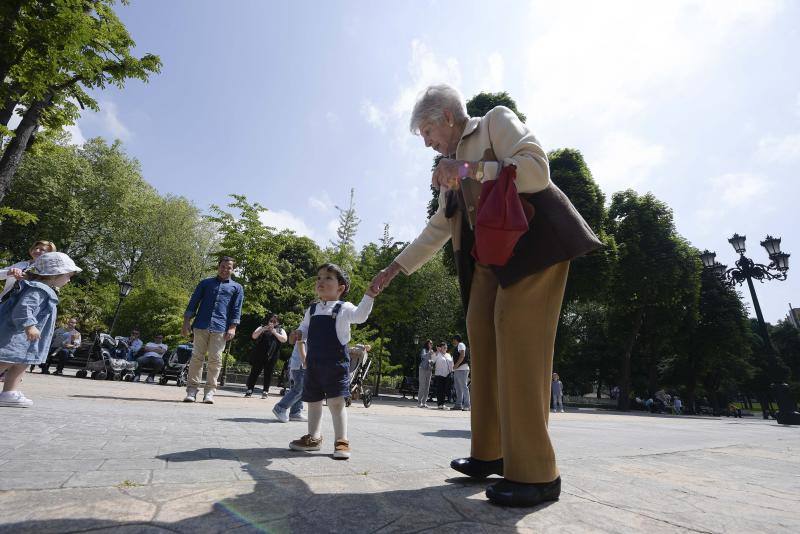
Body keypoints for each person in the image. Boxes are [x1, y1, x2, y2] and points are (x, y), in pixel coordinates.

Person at [369, 84, 602, 506]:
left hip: (534, 246)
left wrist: (466, 171)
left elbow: (536, 171)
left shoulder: (495, 121)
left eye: (426, 131)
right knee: (480, 329)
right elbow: (440, 227)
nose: (425, 142)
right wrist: (394, 268)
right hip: (489, 260)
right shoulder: (446, 168)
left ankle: (537, 473)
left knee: (515, 334)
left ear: (446, 117)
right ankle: (490, 452)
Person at [288, 263, 376, 460]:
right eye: (319, 277)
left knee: (336, 403)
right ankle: (314, 437)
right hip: (314, 364)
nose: (321, 281)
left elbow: (360, 316)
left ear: (340, 288)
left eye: (328, 278)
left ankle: (341, 440)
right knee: (313, 401)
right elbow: (304, 329)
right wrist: (299, 333)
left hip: (336, 364)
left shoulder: (344, 308)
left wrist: (369, 295)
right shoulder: (311, 310)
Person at [0, 252, 81, 407]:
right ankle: (8, 392)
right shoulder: (37, 289)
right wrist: (30, 326)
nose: (69, 280)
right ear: (54, 274)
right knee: (5, 361)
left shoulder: (44, 288)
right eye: (68, 276)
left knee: (22, 362)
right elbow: (23, 309)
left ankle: (9, 392)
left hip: (26, 338)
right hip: (17, 334)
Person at [182, 256, 244, 404]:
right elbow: (194, 302)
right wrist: (186, 321)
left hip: (221, 327)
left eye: (229, 267)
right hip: (201, 324)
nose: (225, 269)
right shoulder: (205, 283)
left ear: (233, 270)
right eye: (223, 266)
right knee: (197, 357)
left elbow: (237, 309)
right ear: (218, 267)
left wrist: (233, 327)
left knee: (215, 359)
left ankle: (209, 392)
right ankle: (191, 390)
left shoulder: (237, 287)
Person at [245, 314, 287, 398]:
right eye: (271, 321)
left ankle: (265, 391)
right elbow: (254, 336)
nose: (272, 323)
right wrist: (263, 329)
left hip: (273, 355)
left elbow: (284, 339)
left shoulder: (280, 330)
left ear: (278, 322)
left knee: (269, 373)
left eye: (274, 321)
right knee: (255, 372)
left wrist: (274, 332)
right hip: (259, 354)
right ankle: (249, 390)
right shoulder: (262, 327)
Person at [272, 338, 307, 423]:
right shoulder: (308, 326)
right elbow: (300, 343)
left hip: (300, 363)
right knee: (299, 389)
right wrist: (305, 362)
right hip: (301, 364)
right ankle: (280, 408)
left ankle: (295, 412)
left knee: (301, 389)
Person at [431, 341, 454, 410]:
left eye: (446, 347)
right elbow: (432, 361)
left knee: (445, 390)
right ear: (440, 348)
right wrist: (436, 353)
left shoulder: (448, 355)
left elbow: (451, 364)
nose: (445, 348)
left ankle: (443, 403)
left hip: (447, 375)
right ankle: (439, 404)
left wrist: (452, 371)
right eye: (444, 347)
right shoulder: (437, 354)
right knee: (440, 390)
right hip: (439, 375)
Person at [451, 334, 470, 411]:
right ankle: (458, 405)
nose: (453, 341)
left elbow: (462, 355)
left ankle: (467, 405)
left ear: (456, 339)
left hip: (462, 369)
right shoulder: (459, 346)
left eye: (453, 340)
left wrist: (456, 365)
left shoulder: (461, 344)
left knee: (463, 387)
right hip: (459, 369)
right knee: (458, 388)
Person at [417, 340, 435, 408]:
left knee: (427, 387)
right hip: (422, 369)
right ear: (427, 344)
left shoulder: (432, 351)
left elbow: (433, 360)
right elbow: (423, 356)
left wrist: (432, 361)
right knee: (422, 385)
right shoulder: (424, 350)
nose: (431, 344)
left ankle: (424, 402)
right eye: (430, 343)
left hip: (429, 370)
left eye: (432, 343)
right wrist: (429, 353)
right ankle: (419, 402)